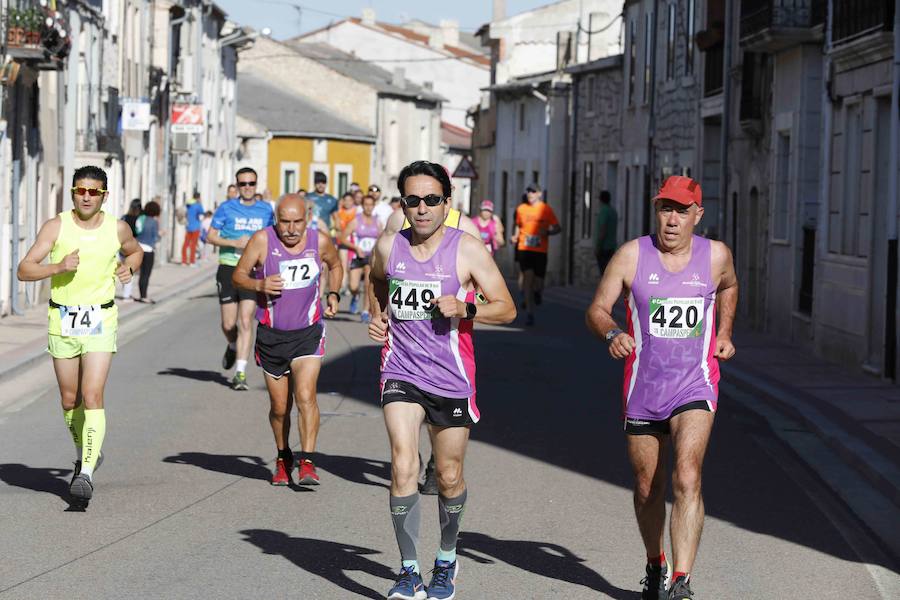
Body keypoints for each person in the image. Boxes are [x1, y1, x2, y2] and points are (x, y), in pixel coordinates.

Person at [368, 160, 516, 600]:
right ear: (403, 204)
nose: (422, 208)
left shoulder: (467, 249)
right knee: (402, 463)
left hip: (451, 376)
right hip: (401, 369)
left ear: (447, 204)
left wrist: (466, 308)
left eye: (431, 199)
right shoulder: (387, 247)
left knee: (449, 476)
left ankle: (446, 559)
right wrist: (377, 316)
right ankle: (408, 570)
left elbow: (506, 307)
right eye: (413, 200)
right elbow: (376, 282)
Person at [585, 175, 738, 600]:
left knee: (687, 476)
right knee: (647, 486)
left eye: (681, 211)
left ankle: (682, 580)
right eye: (665, 209)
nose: (672, 220)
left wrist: (724, 331)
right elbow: (597, 308)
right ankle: (656, 562)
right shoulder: (632, 255)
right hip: (644, 386)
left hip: (696, 382)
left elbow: (729, 286)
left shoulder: (715, 256)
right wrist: (612, 332)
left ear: (697, 215)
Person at [16, 165, 143, 505]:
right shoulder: (56, 226)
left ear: (104, 195)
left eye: (93, 191)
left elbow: (136, 251)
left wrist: (129, 268)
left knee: (93, 394)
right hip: (63, 319)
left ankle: (85, 471)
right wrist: (57, 267)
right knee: (70, 399)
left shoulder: (118, 228)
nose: (86, 196)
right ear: (72, 192)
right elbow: (24, 270)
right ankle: (86, 451)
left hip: (101, 319)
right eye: (80, 190)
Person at [232, 194, 342, 486]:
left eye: (298, 222)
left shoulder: (319, 241)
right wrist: (259, 284)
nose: (292, 229)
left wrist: (333, 293)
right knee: (280, 407)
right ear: (276, 220)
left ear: (307, 219)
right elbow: (238, 275)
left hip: (308, 333)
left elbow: (336, 264)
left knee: (306, 397)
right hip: (272, 336)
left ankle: (308, 461)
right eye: (285, 222)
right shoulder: (262, 241)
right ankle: (283, 456)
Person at [207, 167, 275, 391]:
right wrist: (235, 243)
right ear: (236, 186)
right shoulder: (226, 208)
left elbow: (271, 238)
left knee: (245, 321)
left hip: (252, 272)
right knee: (228, 324)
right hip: (228, 268)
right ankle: (232, 345)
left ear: (256, 185)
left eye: (251, 184)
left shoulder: (266, 210)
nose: (247, 188)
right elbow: (211, 236)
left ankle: (240, 372)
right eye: (243, 184)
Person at [511, 184, 560, 326]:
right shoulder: (521, 209)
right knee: (527, 279)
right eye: (528, 191)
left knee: (538, 282)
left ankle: (537, 293)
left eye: (533, 191)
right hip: (524, 249)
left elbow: (557, 228)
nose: (530, 194)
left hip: (540, 251)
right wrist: (514, 236)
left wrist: (548, 233)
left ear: (539, 193)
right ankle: (529, 313)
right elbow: (518, 225)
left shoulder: (546, 209)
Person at [340, 194, 382, 322]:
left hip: (371, 257)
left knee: (369, 285)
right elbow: (342, 238)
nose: (368, 207)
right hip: (357, 257)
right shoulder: (355, 220)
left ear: (374, 206)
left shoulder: (378, 221)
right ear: (362, 206)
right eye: (366, 205)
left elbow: (382, 238)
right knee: (353, 286)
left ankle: (365, 311)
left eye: (371, 205)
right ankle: (355, 296)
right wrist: (356, 248)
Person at [135, 200, 163, 303]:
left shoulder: (141, 219)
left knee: (141, 273)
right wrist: (161, 234)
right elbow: (155, 237)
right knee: (146, 274)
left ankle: (141, 294)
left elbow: (137, 231)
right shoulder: (154, 222)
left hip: (138, 247)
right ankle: (144, 296)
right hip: (149, 249)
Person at [119, 198, 143, 300]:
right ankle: (126, 295)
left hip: (121, 247)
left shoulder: (124, 217)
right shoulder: (140, 218)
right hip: (132, 247)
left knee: (123, 270)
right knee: (129, 271)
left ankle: (126, 292)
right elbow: (139, 231)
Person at [336, 192, 358, 293]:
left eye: (350, 200)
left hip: (354, 240)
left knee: (350, 265)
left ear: (353, 201)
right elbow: (336, 226)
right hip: (342, 240)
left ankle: (350, 285)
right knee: (343, 264)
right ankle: (343, 286)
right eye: (346, 200)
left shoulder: (357, 212)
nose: (348, 202)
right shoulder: (339, 212)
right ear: (343, 201)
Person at [593, 189, 618, 276]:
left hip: (604, 247)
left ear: (600, 200)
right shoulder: (613, 212)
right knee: (609, 272)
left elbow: (602, 230)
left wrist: (598, 246)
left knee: (603, 273)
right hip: (612, 246)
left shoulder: (604, 211)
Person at [182, 192, 204, 266]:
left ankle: (183, 261)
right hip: (195, 227)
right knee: (193, 245)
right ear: (198, 198)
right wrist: (200, 203)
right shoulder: (197, 205)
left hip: (188, 227)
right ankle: (192, 262)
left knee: (186, 244)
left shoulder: (188, 204)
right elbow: (202, 212)